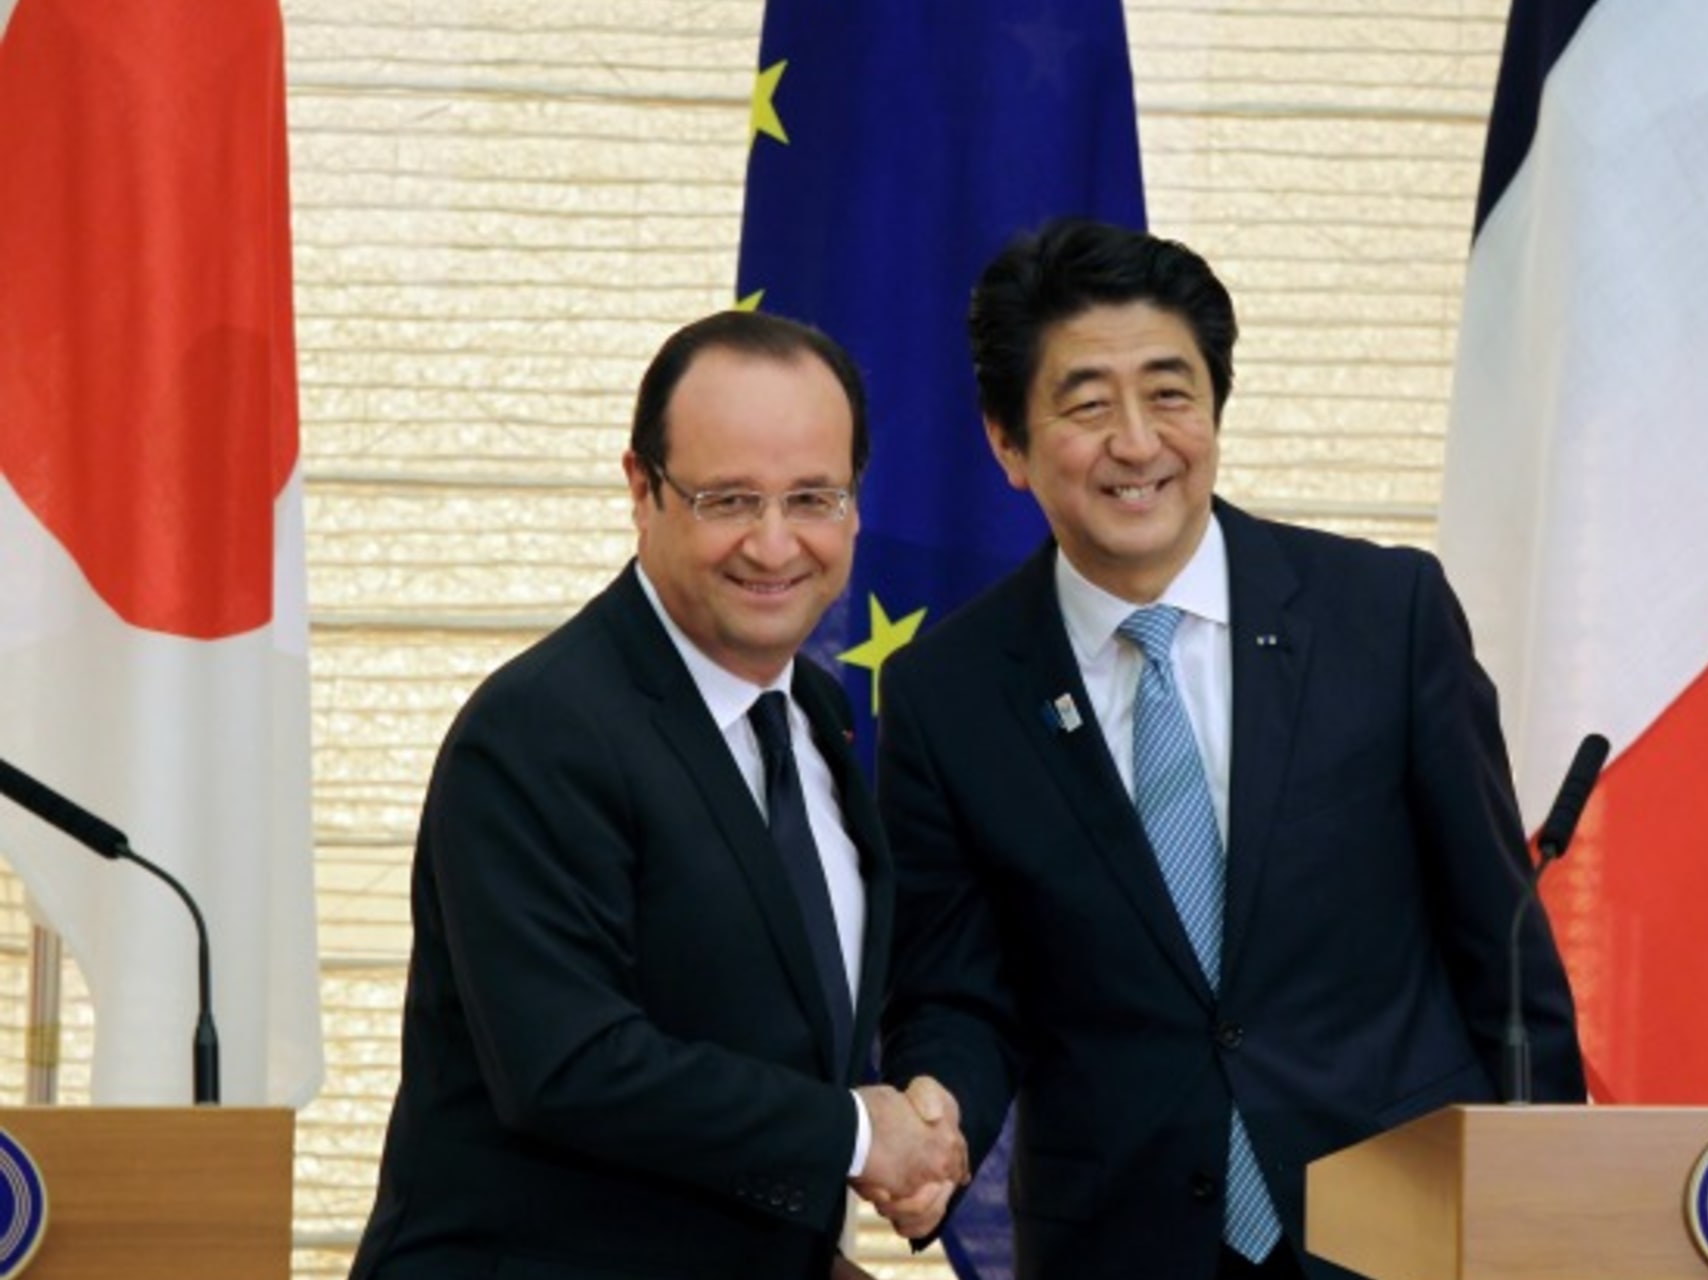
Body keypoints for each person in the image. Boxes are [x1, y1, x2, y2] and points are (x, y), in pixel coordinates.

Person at [873, 220, 1585, 1280]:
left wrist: (1551, 1212)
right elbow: (959, 988)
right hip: (1122, 1238)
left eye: (1170, 392)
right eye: (1085, 403)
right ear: (1007, 444)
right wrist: (938, 1102)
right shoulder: (951, 691)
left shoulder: (1380, 615)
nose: (1137, 440)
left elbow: (1502, 941)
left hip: (1408, 1219)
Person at [349, 309, 967, 1280]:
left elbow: (793, 1015)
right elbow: (570, 1066)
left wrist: (919, 1123)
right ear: (643, 490)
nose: (774, 544)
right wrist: (855, 1132)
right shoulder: (540, 728)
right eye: (728, 499)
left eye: (812, 496)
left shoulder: (812, 711)